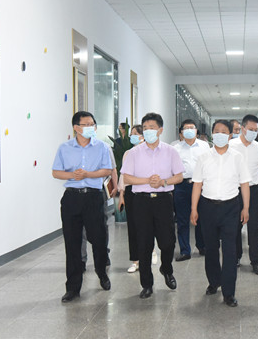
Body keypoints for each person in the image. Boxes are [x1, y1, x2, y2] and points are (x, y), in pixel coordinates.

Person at [121, 112, 184, 299]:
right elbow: (127, 177)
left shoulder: (171, 151)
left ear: (160, 130)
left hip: (164, 200)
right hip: (141, 201)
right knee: (144, 243)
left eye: (152, 128)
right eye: (145, 128)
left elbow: (179, 176)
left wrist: (163, 182)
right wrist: (147, 181)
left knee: (168, 241)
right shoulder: (134, 153)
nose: (148, 131)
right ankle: (147, 284)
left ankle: (167, 269)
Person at [52, 111, 113, 302]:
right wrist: (73, 175)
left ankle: (102, 272)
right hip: (72, 198)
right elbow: (56, 172)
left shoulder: (101, 146)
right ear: (76, 128)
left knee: (99, 238)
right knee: (72, 243)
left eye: (92, 124)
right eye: (86, 124)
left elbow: (107, 169)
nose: (91, 127)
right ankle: (73, 287)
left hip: (94, 197)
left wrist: (88, 174)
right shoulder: (64, 148)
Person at [191, 120, 250, 307]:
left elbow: (244, 184)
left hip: (231, 207)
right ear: (212, 134)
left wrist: (246, 208)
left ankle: (229, 292)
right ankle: (214, 281)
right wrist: (194, 208)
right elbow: (197, 184)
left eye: (224, 131)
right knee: (211, 248)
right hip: (207, 206)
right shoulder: (203, 157)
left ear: (230, 135)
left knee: (230, 250)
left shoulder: (237, 157)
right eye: (216, 131)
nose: (220, 134)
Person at [229, 114, 258, 274]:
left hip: (254, 190)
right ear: (242, 128)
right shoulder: (231, 145)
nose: (253, 132)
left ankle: (256, 261)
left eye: (255, 130)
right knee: (234, 226)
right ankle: (235, 257)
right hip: (234, 190)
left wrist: (251, 181)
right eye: (250, 129)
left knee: (254, 227)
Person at [172, 119, 209, 261]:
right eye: (186, 128)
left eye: (191, 127)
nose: (189, 130)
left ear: (196, 131)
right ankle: (185, 250)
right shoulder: (175, 148)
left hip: (201, 185)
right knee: (182, 219)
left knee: (201, 217)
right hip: (182, 186)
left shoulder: (204, 146)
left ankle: (202, 246)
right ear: (181, 132)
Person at [118, 125, 143, 273]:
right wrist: (121, 195)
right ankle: (135, 260)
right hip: (130, 192)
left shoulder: (149, 153)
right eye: (131, 134)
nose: (132, 136)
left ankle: (148, 253)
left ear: (142, 136)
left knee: (145, 225)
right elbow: (123, 176)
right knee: (133, 227)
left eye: (135, 134)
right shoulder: (128, 153)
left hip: (145, 191)